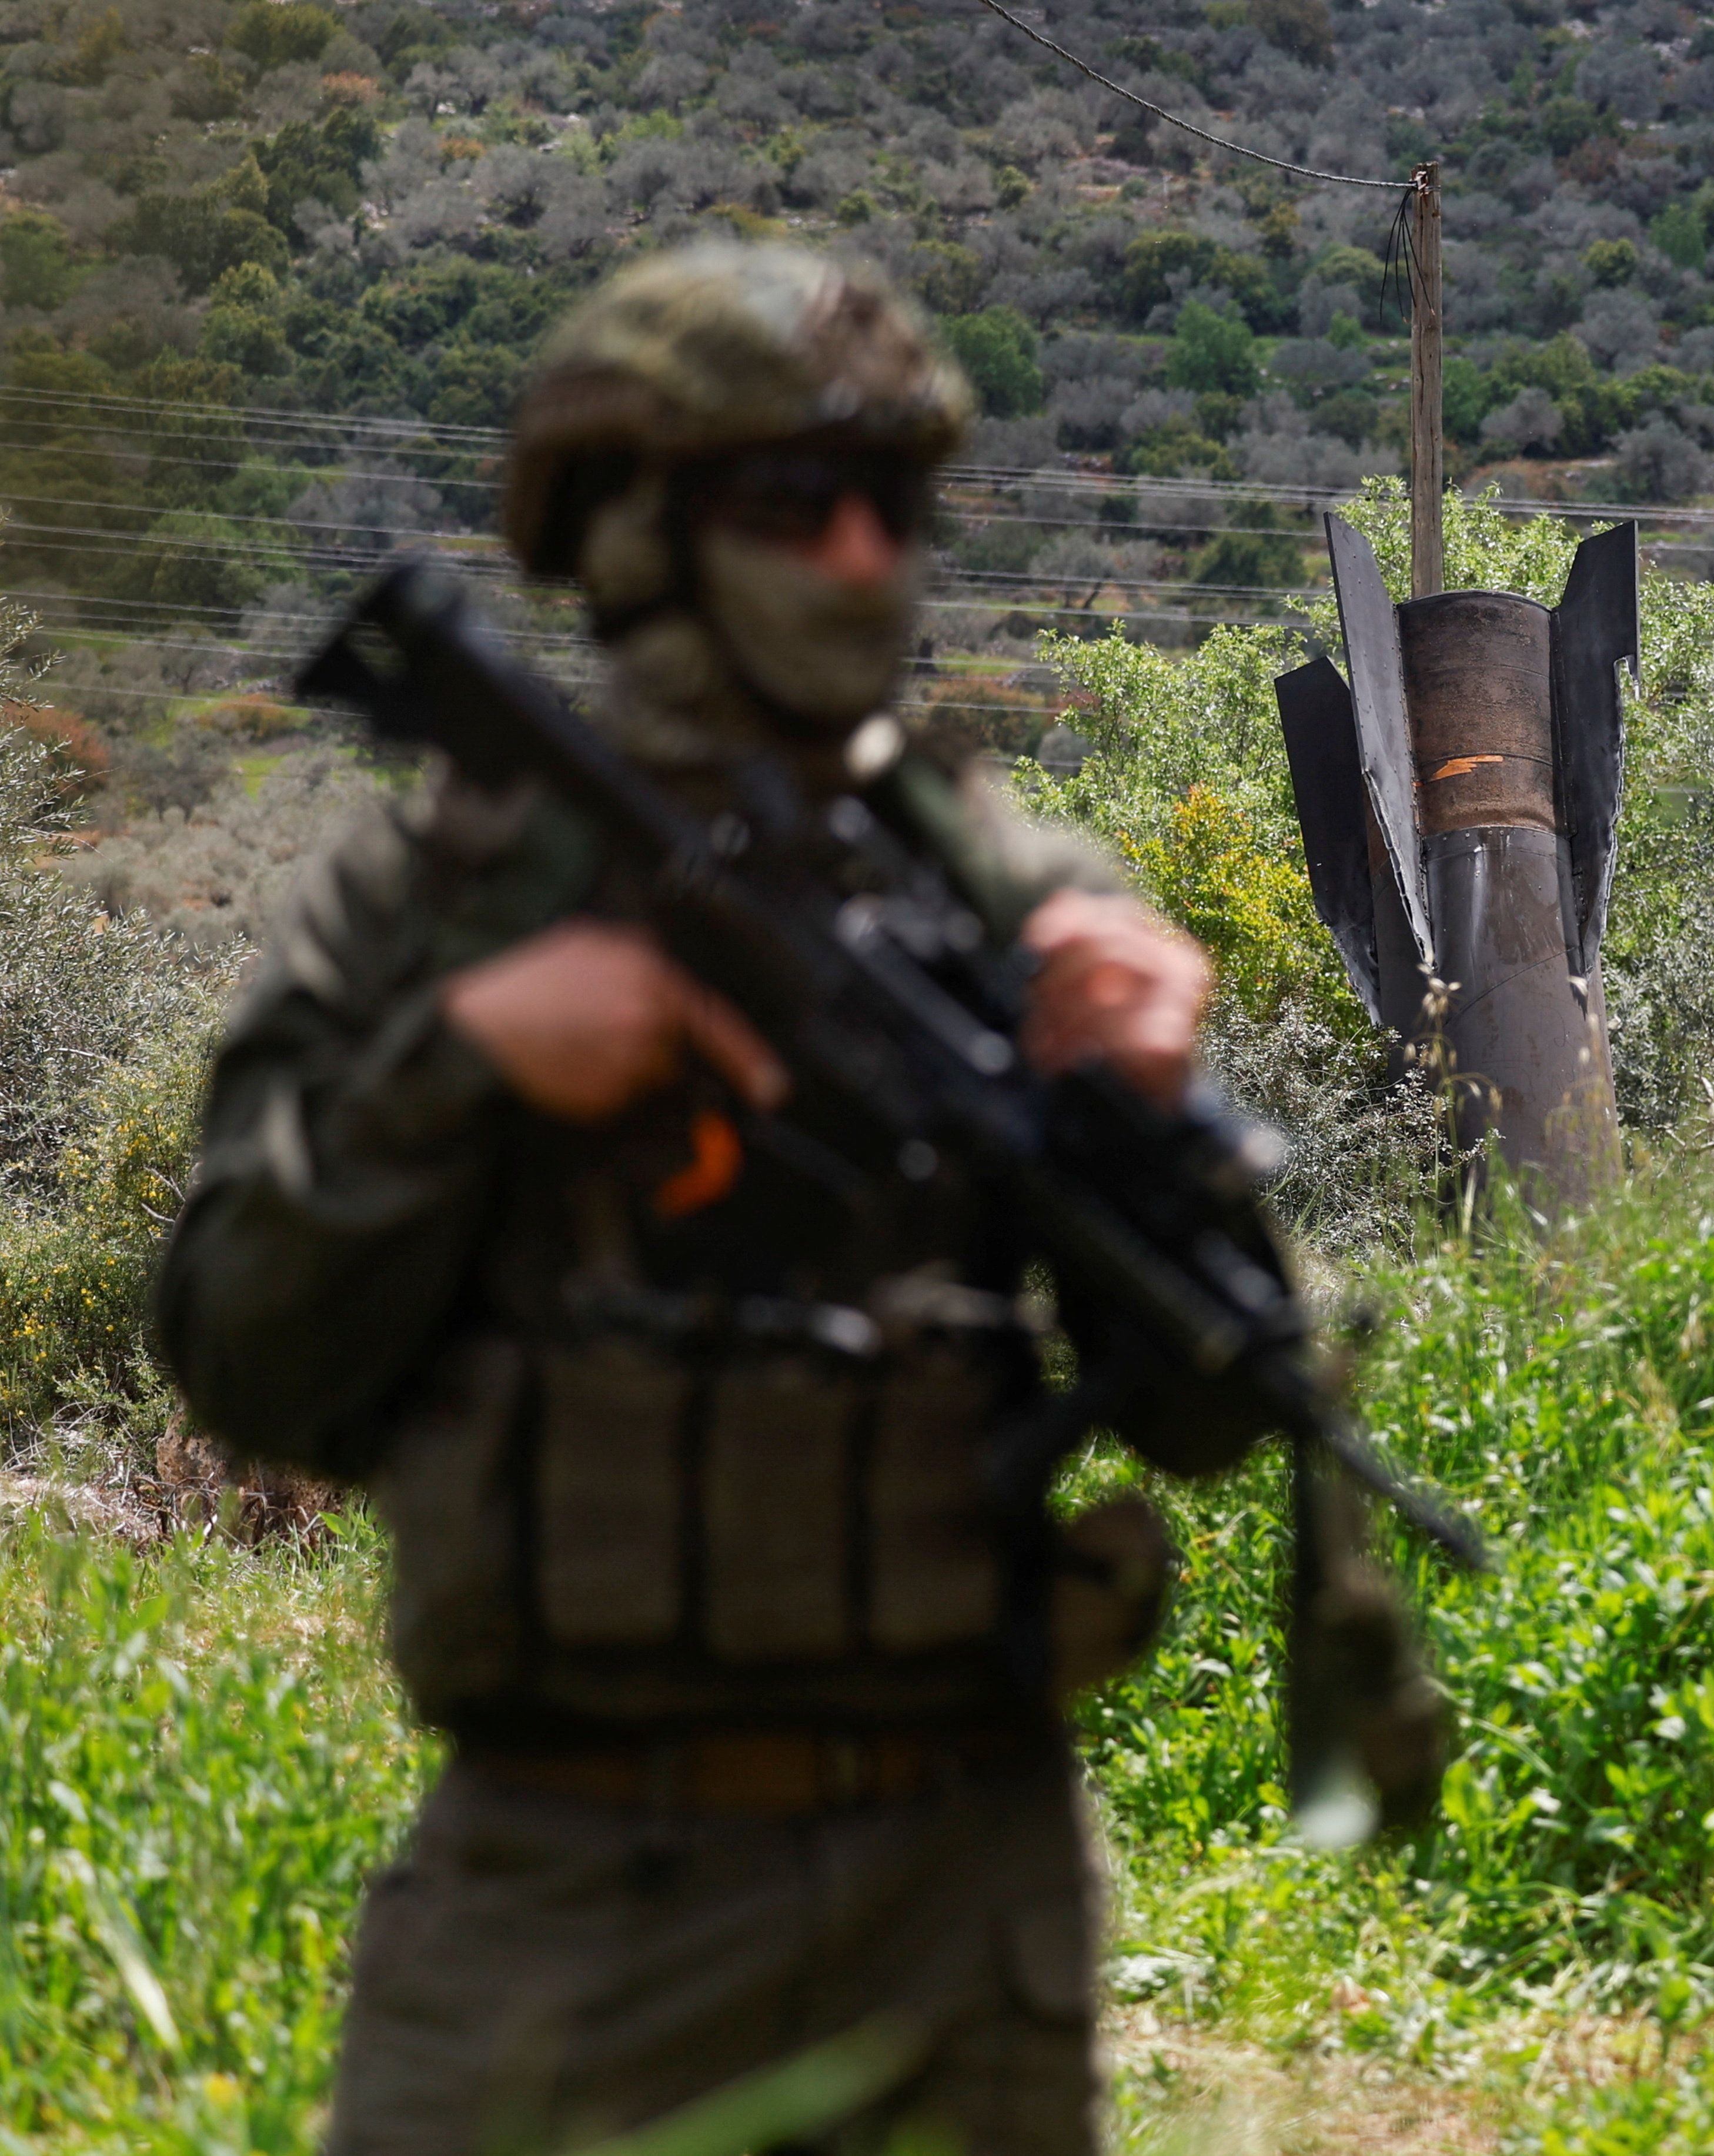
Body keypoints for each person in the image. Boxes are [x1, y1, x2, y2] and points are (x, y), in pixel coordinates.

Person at [156, 243, 1219, 2155]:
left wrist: (1158, 1122)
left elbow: (1217, 1403)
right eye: (791, 506)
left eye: (891, 508)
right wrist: (468, 1060)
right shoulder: (432, 907)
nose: (861, 562)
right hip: (565, 1892)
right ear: (631, 532)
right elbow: (245, 1360)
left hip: (956, 1891)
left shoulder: (1002, 893)